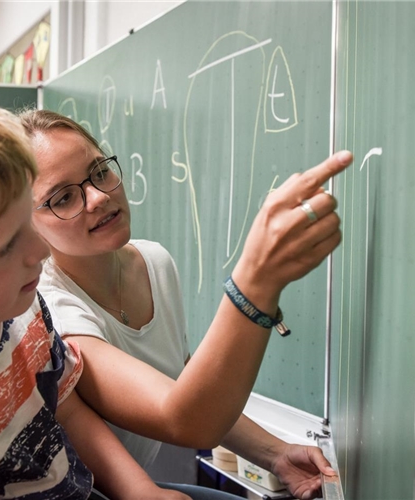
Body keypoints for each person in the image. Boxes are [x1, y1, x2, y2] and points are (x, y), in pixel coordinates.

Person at [20, 109, 353, 500]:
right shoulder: (45, 307)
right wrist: (254, 286)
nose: (97, 197)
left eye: (99, 172)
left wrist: (275, 453)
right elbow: (184, 418)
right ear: (27, 224)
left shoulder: (154, 262)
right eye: (63, 197)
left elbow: (184, 378)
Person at [0, 90, 192, 500]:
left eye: (27, 226)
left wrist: (140, 491)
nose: (41, 251)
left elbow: (68, 408)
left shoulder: (22, 314)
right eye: (7, 246)